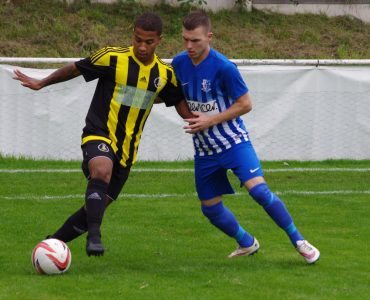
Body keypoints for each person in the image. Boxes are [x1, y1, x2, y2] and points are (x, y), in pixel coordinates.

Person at [13, 12, 192, 257]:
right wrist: (42, 82)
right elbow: (75, 69)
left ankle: (52, 245)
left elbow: (182, 106)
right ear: (133, 34)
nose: (141, 46)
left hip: (127, 153)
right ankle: (95, 236)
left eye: (148, 42)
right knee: (101, 169)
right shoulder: (112, 57)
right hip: (98, 134)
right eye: (137, 39)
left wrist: (210, 121)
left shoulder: (164, 75)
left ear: (159, 40)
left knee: (93, 209)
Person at [171, 11, 320, 264]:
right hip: (204, 149)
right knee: (210, 208)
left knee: (260, 192)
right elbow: (175, 97)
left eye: (195, 40)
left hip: (233, 142)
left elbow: (245, 104)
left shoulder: (224, 67)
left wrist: (210, 120)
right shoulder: (178, 63)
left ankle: (299, 241)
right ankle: (246, 242)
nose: (189, 46)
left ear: (209, 37)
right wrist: (189, 117)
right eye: (185, 39)